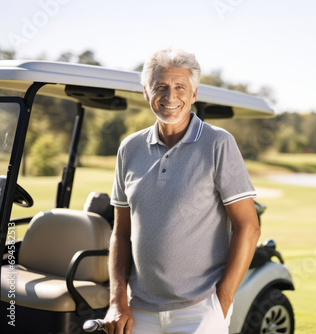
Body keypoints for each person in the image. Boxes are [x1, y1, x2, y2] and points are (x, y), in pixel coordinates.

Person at [103, 48, 261, 334]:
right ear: (145, 92)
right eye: (160, 87)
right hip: (139, 309)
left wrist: (221, 303)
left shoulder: (218, 144)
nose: (170, 96)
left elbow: (248, 227)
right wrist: (117, 300)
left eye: (180, 87)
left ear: (194, 93)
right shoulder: (130, 148)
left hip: (200, 310)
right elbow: (120, 232)